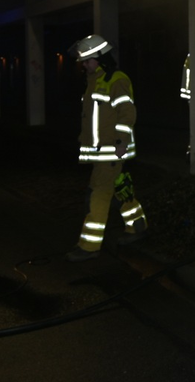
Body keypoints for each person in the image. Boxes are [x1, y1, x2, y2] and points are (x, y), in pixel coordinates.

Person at [66, 34, 148, 262]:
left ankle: (89, 246)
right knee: (120, 188)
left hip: (111, 150)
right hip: (103, 150)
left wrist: (121, 140)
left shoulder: (116, 79)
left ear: (101, 58)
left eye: (88, 60)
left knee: (98, 196)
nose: (84, 65)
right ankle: (137, 225)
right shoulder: (95, 80)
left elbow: (127, 111)